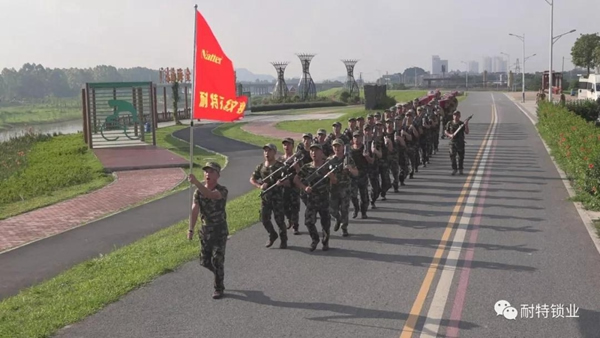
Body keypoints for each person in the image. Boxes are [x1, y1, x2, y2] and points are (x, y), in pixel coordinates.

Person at [188, 162, 229, 299]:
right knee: (204, 261)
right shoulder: (197, 192)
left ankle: (219, 288)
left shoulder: (222, 190)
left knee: (217, 259)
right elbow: (194, 210)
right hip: (206, 231)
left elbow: (211, 195)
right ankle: (219, 273)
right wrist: (191, 229)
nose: (207, 174)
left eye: (211, 172)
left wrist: (195, 183)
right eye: (206, 171)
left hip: (220, 230)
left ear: (218, 175)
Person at [294, 143, 337, 251]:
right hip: (311, 200)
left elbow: (335, 181)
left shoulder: (327, 166)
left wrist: (330, 174)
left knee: (325, 223)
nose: (314, 153)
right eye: (312, 151)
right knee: (308, 222)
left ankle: (325, 242)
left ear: (321, 152)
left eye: (316, 151)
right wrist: (304, 188)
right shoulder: (306, 167)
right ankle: (315, 239)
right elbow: (296, 180)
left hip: (324, 199)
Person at [250, 143, 288, 248]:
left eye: (269, 151)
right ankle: (272, 234)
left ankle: (283, 239)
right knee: (264, 218)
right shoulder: (261, 167)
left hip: (277, 198)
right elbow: (252, 179)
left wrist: (282, 183)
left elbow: (289, 181)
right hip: (266, 198)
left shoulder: (280, 166)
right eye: (265, 151)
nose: (267, 153)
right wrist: (259, 186)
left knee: (279, 220)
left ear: (274, 152)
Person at [328, 138, 358, 236]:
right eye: (335, 146)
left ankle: (344, 227)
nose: (337, 148)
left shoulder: (348, 159)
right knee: (332, 209)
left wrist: (350, 168)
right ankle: (337, 218)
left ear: (342, 147)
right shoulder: (329, 160)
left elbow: (356, 173)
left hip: (345, 188)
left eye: (339, 146)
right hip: (333, 188)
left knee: (344, 209)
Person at [279, 137, 302, 234]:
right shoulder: (280, 159)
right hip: (284, 187)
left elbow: (302, 173)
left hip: (294, 186)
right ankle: (289, 219)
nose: (286, 146)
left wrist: (297, 167)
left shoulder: (297, 158)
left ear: (292, 146)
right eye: (285, 144)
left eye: (288, 144)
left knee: (295, 207)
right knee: (284, 205)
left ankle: (295, 226)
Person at [445, 110, 469, 175]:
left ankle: (460, 169)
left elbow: (466, 132)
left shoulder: (461, 124)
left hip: (460, 142)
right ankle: (454, 169)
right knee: (452, 156)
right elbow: (446, 131)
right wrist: (450, 135)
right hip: (452, 142)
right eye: (455, 115)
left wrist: (466, 125)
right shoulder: (449, 123)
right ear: (453, 116)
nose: (456, 117)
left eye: (457, 115)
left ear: (459, 116)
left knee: (461, 157)